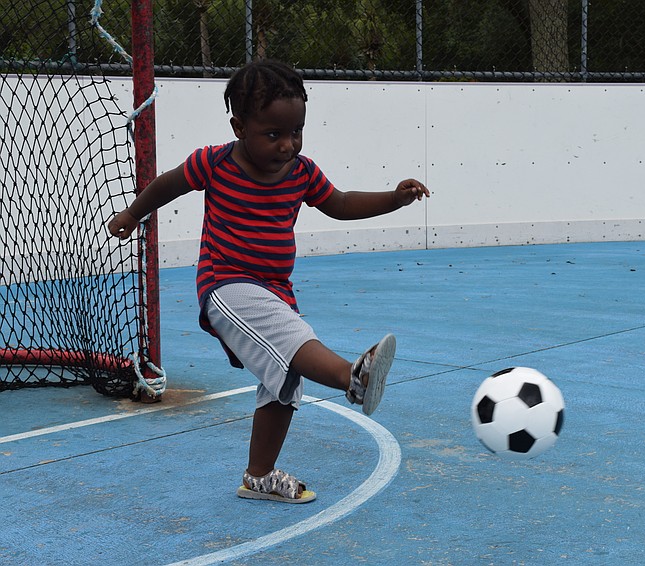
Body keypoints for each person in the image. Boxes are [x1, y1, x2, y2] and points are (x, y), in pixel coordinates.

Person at [108, 60, 429, 504]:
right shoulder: (214, 162)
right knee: (295, 341)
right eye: (273, 134)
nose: (287, 145)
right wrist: (131, 213)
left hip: (275, 288)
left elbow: (340, 203)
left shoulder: (301, 172)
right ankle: (351, 378)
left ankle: (259, 475)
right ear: (239, 126)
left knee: (284, 382)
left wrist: (394, 199)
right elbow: (169, 184)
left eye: (296, 132)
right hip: (225, 284)